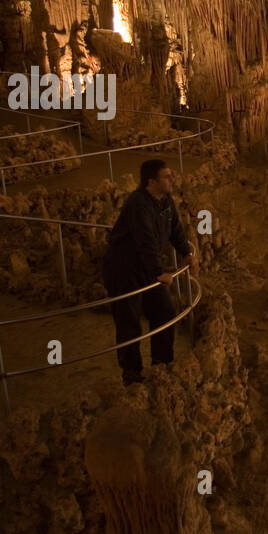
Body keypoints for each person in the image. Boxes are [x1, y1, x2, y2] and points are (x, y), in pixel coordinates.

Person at [102, 158, 198, 385]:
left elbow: (175, 228)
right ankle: (132, 373)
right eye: (167, 176)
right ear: (151, 181)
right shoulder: (138, 204)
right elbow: (144, 240)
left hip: (147, 267)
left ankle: (162, 364)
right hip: (124, 269)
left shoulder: (165, 201)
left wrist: (186, 252)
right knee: (129, 321)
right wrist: (159, 272)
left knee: (164, 311)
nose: (172, 179)